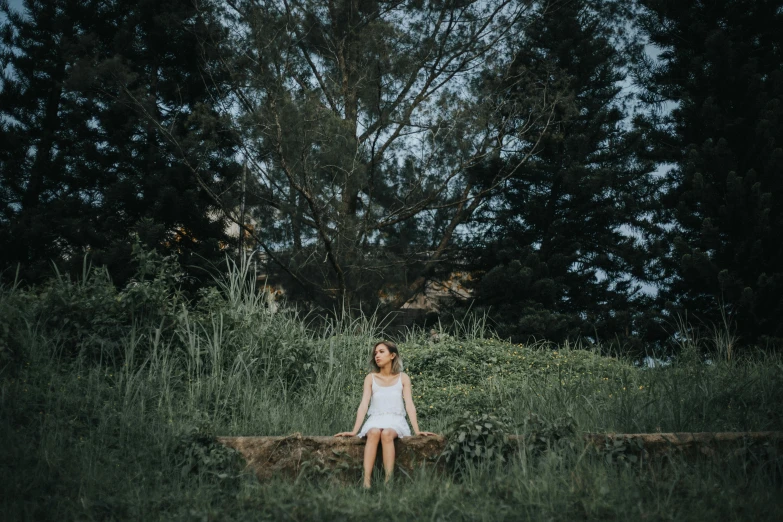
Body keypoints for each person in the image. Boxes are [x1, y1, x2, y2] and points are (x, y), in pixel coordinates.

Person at [334, 340, 436, 488]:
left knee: (387, 434)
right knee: (374, 432)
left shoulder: (403, 378)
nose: (377, 355)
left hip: (396, 420)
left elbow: (409, 404)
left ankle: (388, 482)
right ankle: (366, 482)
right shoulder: (371, 378)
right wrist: (354, 430)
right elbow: (363, 405)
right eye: (375, 353)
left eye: (381, 352)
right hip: (375, 419)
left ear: (392, 355)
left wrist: (417, 430)